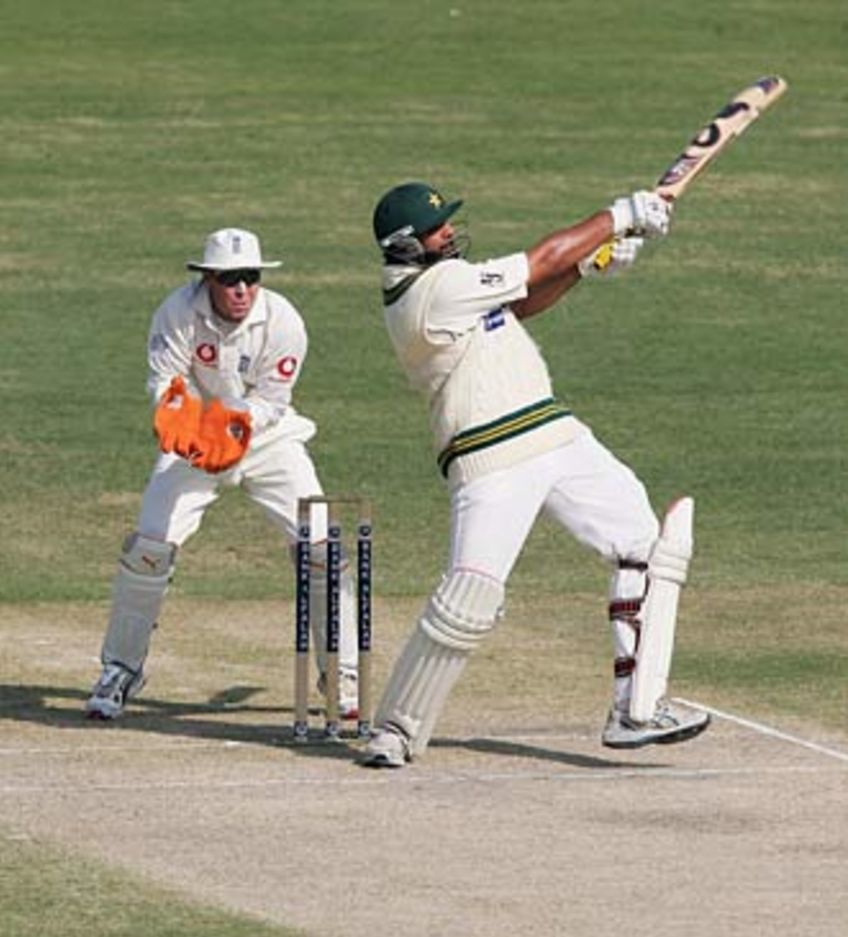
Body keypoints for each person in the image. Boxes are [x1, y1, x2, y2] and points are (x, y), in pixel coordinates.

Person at [359, 181, 710, 768]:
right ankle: (395, 730)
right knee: (469, 598)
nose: (449, 232)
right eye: (436, 228)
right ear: (405, 243)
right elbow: (540, 260)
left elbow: (518, 304)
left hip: (554, 432)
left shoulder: (450, 283)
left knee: (642, 545)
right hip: (490, 454)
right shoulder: (432, 291)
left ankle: (636, 709)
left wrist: (587, 265)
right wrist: (619, 215)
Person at [84, 228, 361, 721]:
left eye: (250, 278)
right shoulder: (176, 312)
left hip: (267, 442)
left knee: (321, 547)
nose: (241, 290)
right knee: (149, 548)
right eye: (230, 279)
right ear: (208, 278)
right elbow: (166, 382)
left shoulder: (284, 321)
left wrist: (234, 423)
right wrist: (181, 419)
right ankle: (120, 669)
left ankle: (341, 674)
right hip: (196, 442)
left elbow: (272, 402)